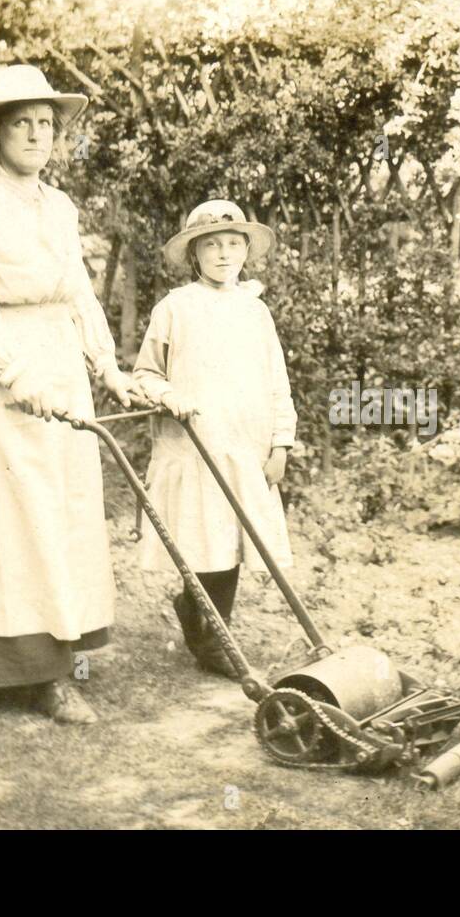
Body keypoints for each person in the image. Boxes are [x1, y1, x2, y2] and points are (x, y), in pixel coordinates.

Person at [0, 65, 139, 723]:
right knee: (4, 518)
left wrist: (107, 366)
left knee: (63, 511)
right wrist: (20, 378)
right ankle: (31, 675)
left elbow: (77, 293)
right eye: (22, 122)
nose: (38, 134)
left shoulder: (60, 207)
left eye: (47, 123)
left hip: (61, 374)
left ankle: (53, 654)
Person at [133, 200, 296, 678]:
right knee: (201, 539)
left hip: (245, 446)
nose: (223, 254)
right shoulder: (174, 309)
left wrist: (280, 444)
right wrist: (168, 394)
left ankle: (210, 628)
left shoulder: (256, 312)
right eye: (211, 246)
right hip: (193, 446)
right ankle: (209, 633)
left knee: (232, 543)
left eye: (232, 244)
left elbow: (277, 381)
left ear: (245, 250)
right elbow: (144, 374)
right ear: (194, 255)